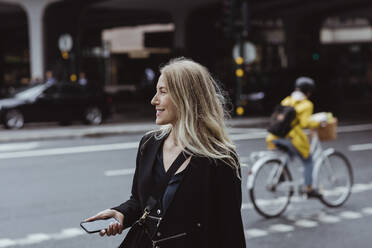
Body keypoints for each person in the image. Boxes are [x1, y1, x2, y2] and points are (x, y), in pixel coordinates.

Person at [85, 57, 246, 247]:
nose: (154, 100)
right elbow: (140, 200)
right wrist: (121, 213)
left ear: (186, 97)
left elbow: (230, 232)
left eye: (162, 92)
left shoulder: (220, 158)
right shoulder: (149, 143)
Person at [266, 76, 322, 198]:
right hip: (291, 138)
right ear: (308, 92)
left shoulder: (287, 100)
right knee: (308, 160)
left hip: (274, 136)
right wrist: (318, 122)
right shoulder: (307, 104)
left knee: (289, 154)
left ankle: (280, 173)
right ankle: (309, 189)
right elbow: (304, 123)